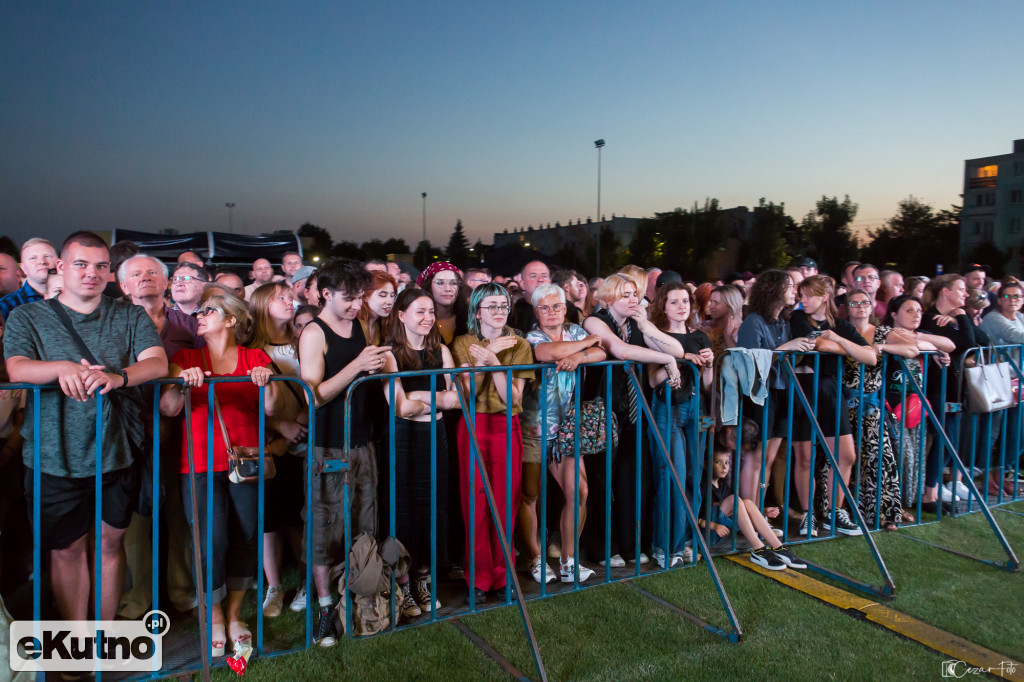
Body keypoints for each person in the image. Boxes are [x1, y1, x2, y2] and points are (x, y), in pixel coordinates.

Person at [5, 232, 167, 628]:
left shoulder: (129, 315)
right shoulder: (27, 316)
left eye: (100, 266)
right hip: (53, 453)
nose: (90, 273)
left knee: (110, 545)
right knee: (66, 550)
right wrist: (63, 368)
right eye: (80, 264)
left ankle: (102, 637)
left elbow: (158, 363)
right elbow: (17, 367)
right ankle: (76, 642)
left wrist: (118, 377)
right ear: (60, 268)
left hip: (116, 449)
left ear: (110, 273)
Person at [160, 287, 276, 656]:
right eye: (198, 312)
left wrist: (265, 379)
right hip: (198, 463)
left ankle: (235, 613)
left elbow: (272, 407)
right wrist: (182, 385)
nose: (199, 315)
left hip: (247, 462)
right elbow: (167, 407)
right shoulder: (184, 356)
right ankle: (213, 618)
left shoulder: (255, 356)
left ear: (230, 319)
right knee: (210, 542)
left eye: (207, 310)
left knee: (244, 536)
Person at [298, 258, 389, 646]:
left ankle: (360, 600)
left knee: (363, 523)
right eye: (349, 299)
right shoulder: (313, 333)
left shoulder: (358, 324)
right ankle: (323, 608)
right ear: (325, 294)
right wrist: (357, 366)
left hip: (362, 441)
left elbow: (359, 377)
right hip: (328, 446)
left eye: (359, 298)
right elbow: (312, 396)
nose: (356, 306)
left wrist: (375, 370)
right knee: (324, 531)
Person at [118, 254, 204, 617]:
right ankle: (137, 597)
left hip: (180, 434)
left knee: (182, 514)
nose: (145, 279)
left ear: (167, 281)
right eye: (135, 274)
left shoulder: (190, 327)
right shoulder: (113, 323)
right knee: (133, 521)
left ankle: (183, 591)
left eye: (153, 272)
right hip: (127, 435)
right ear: (123, 286)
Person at [582, 273, 683, 566]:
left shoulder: (635, 324)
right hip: (603, 410)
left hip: (633, 412)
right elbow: (620, 350)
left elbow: (674, 349)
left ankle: (628, 545)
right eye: (625, 294)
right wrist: (665, 360)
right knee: (602, 480)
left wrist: (646, 324)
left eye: (635, 294)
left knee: (631, 480)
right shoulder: (595, 321)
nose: (632, 300)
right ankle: (603, 549)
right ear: (609, 296)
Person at [451, 283, 534, 602]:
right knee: (475, 504)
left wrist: (494, 359)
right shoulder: (462, 343)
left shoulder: (520, 344)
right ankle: (479, 576)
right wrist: (489, 356)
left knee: (504, 502)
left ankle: (504, 574)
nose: (499, 312)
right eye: (492, 306)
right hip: (472, 427)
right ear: (476, 311)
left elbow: (512, 397)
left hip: (505, 426)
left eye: (504, 306)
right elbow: (469, 393)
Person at [380, 288, 460, 616]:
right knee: (403, 507)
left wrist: (419, 393)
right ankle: (402, 581)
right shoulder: (389, 355)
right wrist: (432, 398)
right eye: (420, 312)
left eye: (431, 312)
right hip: (402, 437)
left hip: (435, 434)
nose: (428, 318)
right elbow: (400, 408)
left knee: (432, 505)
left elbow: (457, 400)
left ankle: (423, 579)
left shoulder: (441, 351)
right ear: (401, 315)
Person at [522, 283, 605, 583]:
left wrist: (581, 356)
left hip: (565, 429)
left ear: (565, 307)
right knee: (530, 495)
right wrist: (587, 344)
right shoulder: (531, 336)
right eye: (544, 307)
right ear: (535, 312)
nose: (551, 312)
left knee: (579, 492)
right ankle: (535, 559)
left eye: (556, 306)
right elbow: (548, 352)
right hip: (532, 427)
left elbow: (602, 351)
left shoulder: (573, 333)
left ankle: (569, 561)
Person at [790, 275, 876, 537]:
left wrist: (839, 340)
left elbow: (870, 356)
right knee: (805, 456)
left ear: (824, 297)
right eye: (800, 295)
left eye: (807, 295)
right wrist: (842, 346)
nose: (801, 300)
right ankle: (807, 514)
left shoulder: (839, 325)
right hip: (802, 385)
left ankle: (833, 512)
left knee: (846, 455)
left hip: (829, 388)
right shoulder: (797, 319)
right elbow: (818, 344)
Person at [734, 270, 815, 530]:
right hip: (760, 393)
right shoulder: (754, 321)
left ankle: (758, 516)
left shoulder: (783, 321)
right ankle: (750, 518)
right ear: (773, 289)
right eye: (790, 286)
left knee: (767, 458)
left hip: (781, 391)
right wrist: (786, 349)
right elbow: (748, 360)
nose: (795, 290)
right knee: (755, 457)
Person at [248, 282, 310, 618]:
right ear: (261, 305)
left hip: (308, 443)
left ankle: (304, 581)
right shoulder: (250, 349)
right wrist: (280, 428)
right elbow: (243, 406)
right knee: (269, 520)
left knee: (299, 517)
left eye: (291, 297)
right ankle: (274, 586)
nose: (291, 302)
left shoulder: (303, 341)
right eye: (281, 298)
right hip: (272, 446)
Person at [647, 283, 713, 567]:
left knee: (693, 480)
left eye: (685, 301)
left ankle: (687, 541)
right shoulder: (656, 335)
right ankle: (664, 547)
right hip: (667, 408)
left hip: (697, 409)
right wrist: (679, 360)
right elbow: (651, 380)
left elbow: (708, 385)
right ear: (663, 306)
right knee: (671, 478)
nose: (682, 306)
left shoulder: (700, 336)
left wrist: (709, 365)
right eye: (674, 302)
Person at [844, 288, 918, 531]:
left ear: (872, 305)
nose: (860, 307)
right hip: (843, 403)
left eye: (864, 302)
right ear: (847, 307)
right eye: (854, 303)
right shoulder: (841, 329)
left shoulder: (882, 332)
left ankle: (884, 513)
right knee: (845, 459)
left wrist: (884, 348)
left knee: (878, 459)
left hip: (871, 406)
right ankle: (847, 512)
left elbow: (912, 349)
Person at [881, 294, 954, 513]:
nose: (916, 315)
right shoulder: (886, 333)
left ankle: (908, 501)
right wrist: (929, 346)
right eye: (909, 310)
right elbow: (910, 346)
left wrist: (922, 338)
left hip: (916, 405)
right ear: (894, 314)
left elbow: (949, 344)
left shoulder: (924, 335)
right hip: (890, 404)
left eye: (919, 311)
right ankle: (890, 502)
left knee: (916, 457)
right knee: (901, 455)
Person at [919, 275, 976, 511]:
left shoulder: (950, 320)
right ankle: (928, 495)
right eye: (960, 289)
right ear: (945, 291)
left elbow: (977, 340)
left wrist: (959, 316)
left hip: (952, 388)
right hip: (936, 386)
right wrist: (961, 315)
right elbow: (966, 343)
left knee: (949, 440)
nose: (965, 294)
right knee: (943, 438)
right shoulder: (931, 319)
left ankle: (931, 491)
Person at [700, 448, 806, 571]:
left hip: (725, 532)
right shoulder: (702, 485)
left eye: (727, 462)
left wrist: (763, 512)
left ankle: (778, 547)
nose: (724, 467)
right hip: (708, 533)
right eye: (718, 462)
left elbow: (738, 512)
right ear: (707, 465)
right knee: (735, 500)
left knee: (748, 503)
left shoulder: (723, 485)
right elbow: (693, 517)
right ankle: (758, 549)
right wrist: (713, 526)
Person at [978, 279, 1024, 496]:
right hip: (997, 378)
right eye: (1007, 296)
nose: (1012, 300)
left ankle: (1001, 474)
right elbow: (1015, 336)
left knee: (1017, 432)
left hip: (1018, 382)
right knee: (993, 431)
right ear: (999, 299)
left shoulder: (1021, 318)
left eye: (1017, 296)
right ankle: (986, 478)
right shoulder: (993, 318)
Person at [0, 238, 57, 320]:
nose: (42, 262)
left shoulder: (74, 299)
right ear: (23, 268)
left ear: (58, 263)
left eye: (47, 256)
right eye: (33, 258)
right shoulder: (6, 305)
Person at [417, 262, 468, 345]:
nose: (448, 288)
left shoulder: (469, 320)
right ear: (428, 286)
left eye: (453, 283)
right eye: (440, 283)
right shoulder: (417, 321)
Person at [700, 284, 743, 360]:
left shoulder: (742, 329)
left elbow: (740, 361)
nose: (711, 306)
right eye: (711, 301)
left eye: (716, 303)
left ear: (730, 305)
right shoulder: (703, 326)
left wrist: (727, 336)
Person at [510, 260, 552, 333]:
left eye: (544, 276)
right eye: (533, 276)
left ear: (550, 282)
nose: (540, 280)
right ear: (522, 284)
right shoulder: (513, 313)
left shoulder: (565, 308)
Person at [357, 271, 397, 346]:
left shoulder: (381, 325)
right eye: (382, 295)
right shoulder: (354, 325)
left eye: (392, 296)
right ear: (365, 296)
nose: (390, 302)